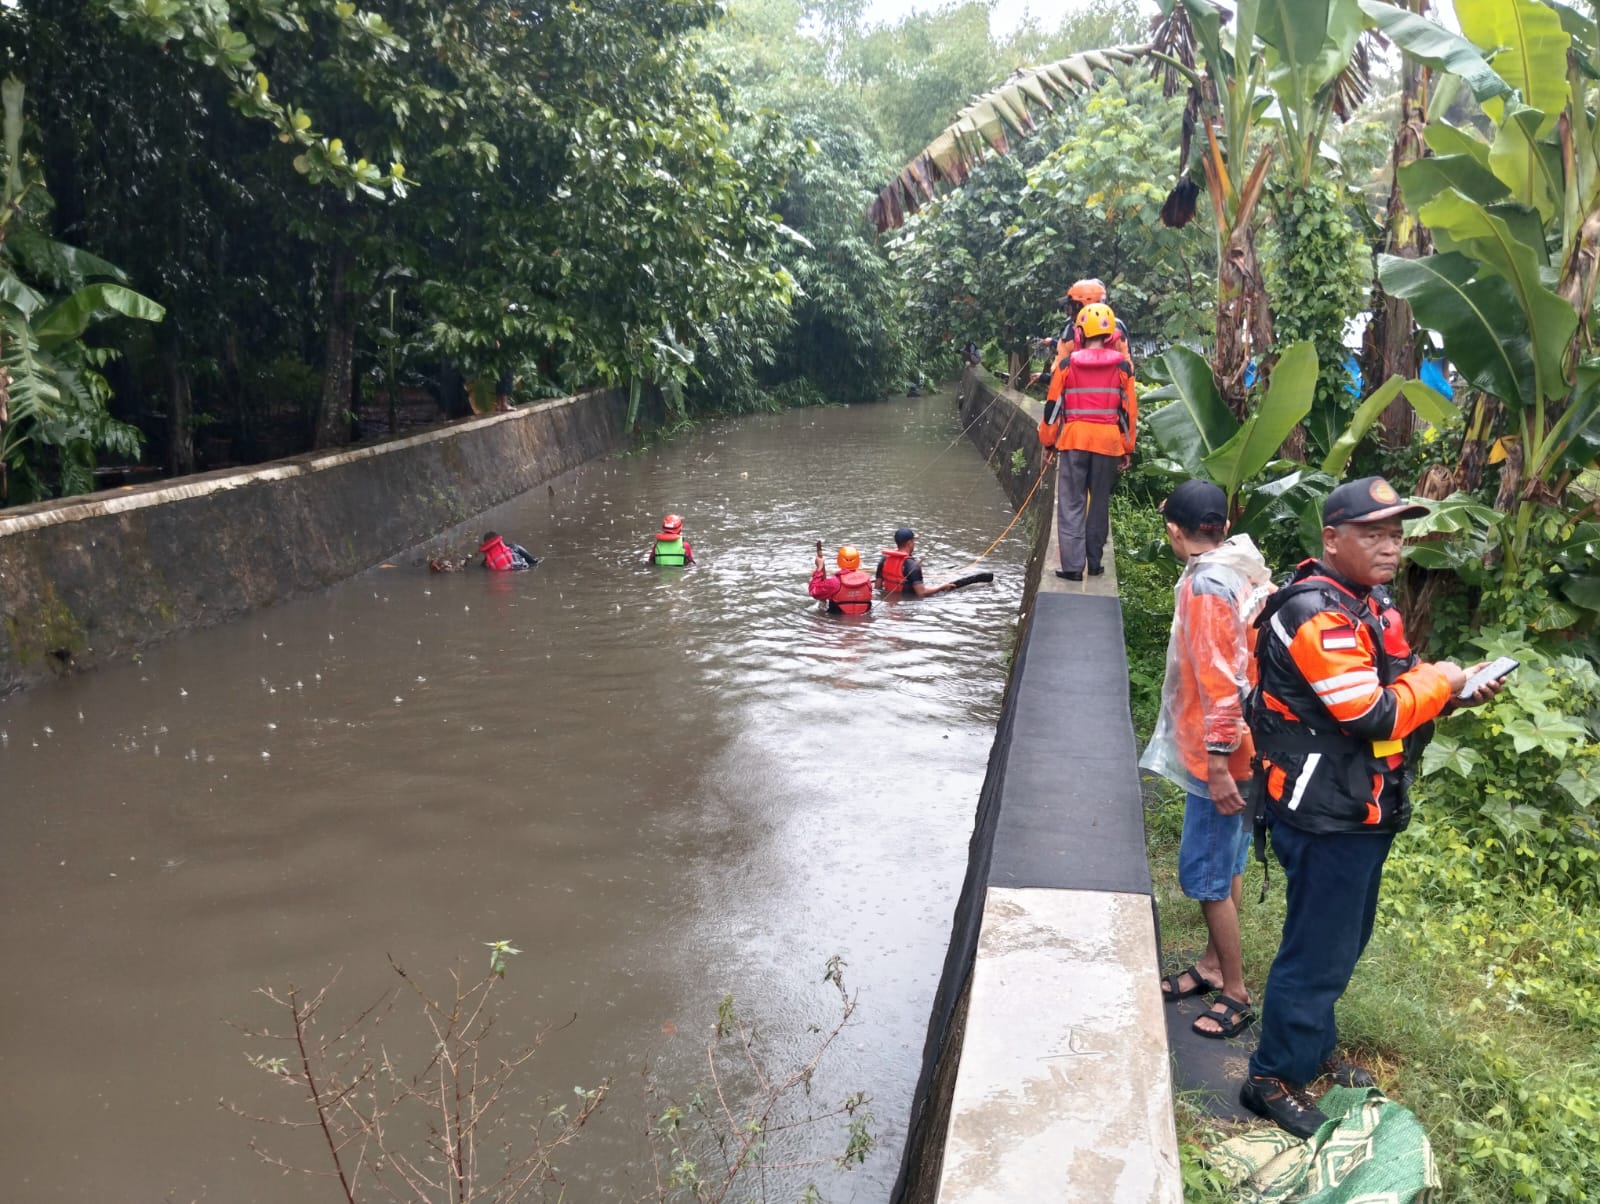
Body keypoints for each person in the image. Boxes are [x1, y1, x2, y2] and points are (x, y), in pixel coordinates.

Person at [1238, 476, 1506, 1138]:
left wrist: (1458, 692)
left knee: (1342, 941)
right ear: (1333, 539)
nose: (1391, 547)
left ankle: (1310, 1048)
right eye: (1374, 534)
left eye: (1396, 534)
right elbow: (1370, 709)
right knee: (1316, 951)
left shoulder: (1369, 602)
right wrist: (1437, 681)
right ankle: (1272, 1076)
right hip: (1324, 809)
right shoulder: (1315, 612)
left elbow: (1397, 681)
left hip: (1363, 805)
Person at [1139, 480, 1275, 1040]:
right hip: (1244, 747)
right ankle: (1215, 964)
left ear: (1177, 531)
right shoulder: (1241, 567)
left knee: (1207, 876)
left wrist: (1218, 764)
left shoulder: (1208, 587)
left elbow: (1222, 683)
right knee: (1230, 863)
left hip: (1222, 754)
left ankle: (1236, 992)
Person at [1038, 302, 1138, 580]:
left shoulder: (1067, 364)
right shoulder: (1123, 366)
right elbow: (1129, 411)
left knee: (1072, 503)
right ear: (1110, 334)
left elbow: (1052, 407)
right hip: (1107, 444)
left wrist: (1048, 442)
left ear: (1080, 333)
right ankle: (1094, 562)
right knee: (1099, 502)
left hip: (1074, 440)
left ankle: (1072, 567)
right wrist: (1127, 447)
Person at [875, 528, 956, 599]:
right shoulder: (912, 565)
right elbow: (922, 593)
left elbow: (877, 587)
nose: (914, 543)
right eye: (913, 541)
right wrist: (942, 587)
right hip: (905, 607)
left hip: (889, 602)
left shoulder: (884, 560)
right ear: (909, 543)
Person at [810, 544, 874, 614]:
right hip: (863, 621)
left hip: (837, 621)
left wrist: (819, 569)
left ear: (839, 561)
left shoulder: (834, 582)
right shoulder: (867, 581)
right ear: (858, 561)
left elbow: (814, 591)